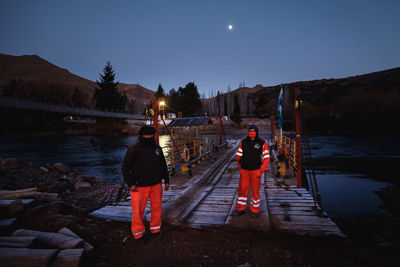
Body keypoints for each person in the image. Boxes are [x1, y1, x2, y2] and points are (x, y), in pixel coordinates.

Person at [122, 126, 170, 243]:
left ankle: (155, 229)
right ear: (141, 135)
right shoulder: (133, 149)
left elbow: (163, 165)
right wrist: (131, 184)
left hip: (156, 185)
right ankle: (138, 234)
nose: (148, 137)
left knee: (156, 208)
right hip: (139, 186)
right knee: (138, 211)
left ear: (153, 135)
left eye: (151, 135)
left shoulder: (158, 149)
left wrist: (167, 180)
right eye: (146, 135)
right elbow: (125, 168)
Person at [233, 125, 270, 218]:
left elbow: (267, 158)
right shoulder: (243, 142)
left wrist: (261, 171)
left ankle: (255, 210)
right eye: (250, 131)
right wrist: (240, 168)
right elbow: (238, 156)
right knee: (242, 191)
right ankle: (240, 209)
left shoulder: (262, 143)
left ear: (256, 132)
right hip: (244, 171)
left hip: (256, 171)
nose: (251, 132)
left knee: (255, 191)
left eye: (253, 131)